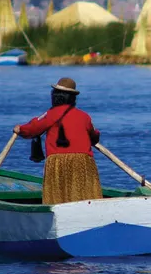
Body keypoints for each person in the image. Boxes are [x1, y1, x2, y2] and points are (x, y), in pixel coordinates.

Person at [14, 77, 102, 205]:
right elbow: (95, 135)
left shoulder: (50, 114)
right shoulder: (84, 116)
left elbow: (33, 128)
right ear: (73, 98)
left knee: (58, 199)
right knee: (84, 195)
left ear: (55, 96)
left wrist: (20, 129)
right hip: (83, 163)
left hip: (58, 163)